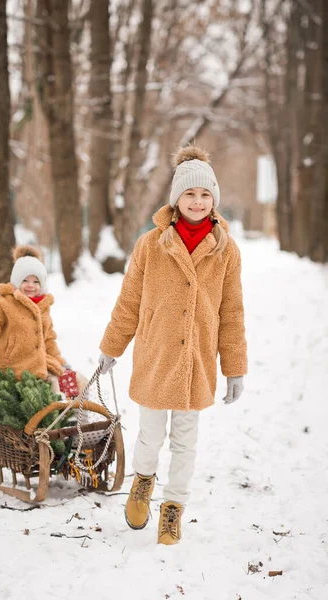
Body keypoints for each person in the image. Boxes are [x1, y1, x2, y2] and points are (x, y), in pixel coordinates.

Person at [98, 144, 248, 546]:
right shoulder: (151, 244)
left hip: (196, 361)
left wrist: (234, 367)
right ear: (176, 199)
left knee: (185, 441)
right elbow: (129, 301)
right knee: (150, 435)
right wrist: (112, 346)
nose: (197, 202)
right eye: (189, 194)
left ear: (213, 200)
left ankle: (173, 510)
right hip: (156, 356)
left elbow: (231, 313)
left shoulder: (226, 250)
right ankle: (143, 483)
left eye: (204, 195)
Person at [0, 245, 66, 386]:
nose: (30, 285)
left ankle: (68, 404)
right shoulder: (4, 303)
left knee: (61, 384)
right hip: (11, 370)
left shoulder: (43, 307)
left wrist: (58, 360)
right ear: (16, 281)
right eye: (25, 280)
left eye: (36, 281)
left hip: (38, 370)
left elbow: (48, 338)